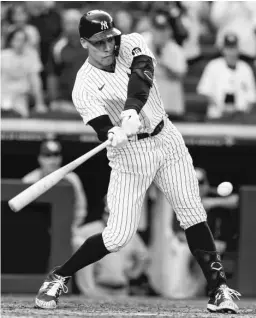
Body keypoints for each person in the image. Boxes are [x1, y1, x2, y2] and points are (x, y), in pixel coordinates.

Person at [35, 10, 241, 313]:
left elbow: (141, 78)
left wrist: (130, 111)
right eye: (99, 43)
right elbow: (101, 127)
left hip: (165, 137)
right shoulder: (83, 86)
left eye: (110, 39)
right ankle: (59, 275)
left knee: (192, 212)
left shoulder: (132, 42)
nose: (108, 48)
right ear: (83, 43)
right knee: (118, 236)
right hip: (129, 155)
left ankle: (219, 288)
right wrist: (112, 132)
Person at [73, 197, 149, 297]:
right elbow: (71, 247)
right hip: (97, 288)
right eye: (108, 213)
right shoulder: (88, 230)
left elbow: (143, 256)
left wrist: (135, 272)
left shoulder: (129, 232)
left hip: (122, 290)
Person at [22, 139, 87, 236]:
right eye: (47, 156)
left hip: (66, 230)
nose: (52, 160)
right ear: (40, 158)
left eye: (55, 155)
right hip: (35, 230)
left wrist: (71, 228)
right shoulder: (29, 180)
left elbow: (81, 210)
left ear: (60, 158)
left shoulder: (72, 179)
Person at [197, 33, 256, 120]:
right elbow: (204, 91)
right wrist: (221, 108)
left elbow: (252, 97)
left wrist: (242, 115)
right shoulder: (213, 65)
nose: (231, 52)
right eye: (228, 48)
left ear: (238, 49)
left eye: (233, 48)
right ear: (223, 49)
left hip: (240, 118)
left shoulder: (245, 68)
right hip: (216, 116)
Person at [142, 10, 187, 121]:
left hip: (170, 107)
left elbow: (180, 75)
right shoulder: (141, 43)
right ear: (151, 29)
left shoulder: (176, 50)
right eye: (157, 29)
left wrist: (160, 62)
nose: (160, 34)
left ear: (169, 31)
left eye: (163, 30)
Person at [47, 9, 87, 113]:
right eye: (68, 23)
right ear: (63, 25)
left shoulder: (94, 45)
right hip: (65, 103)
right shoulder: (57, 47)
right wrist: (53, 99)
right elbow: (52, 75)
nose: (71, 27)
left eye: (74, 23)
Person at [1, 28, 46, 117]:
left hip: (21, 97)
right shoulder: (2, 56)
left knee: (20, 117)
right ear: (11, 41)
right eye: (17, 39)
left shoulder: (32, 55)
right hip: (2, 95)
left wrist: (40, 103)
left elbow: (35, 81)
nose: (21, 43)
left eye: (23, 40)